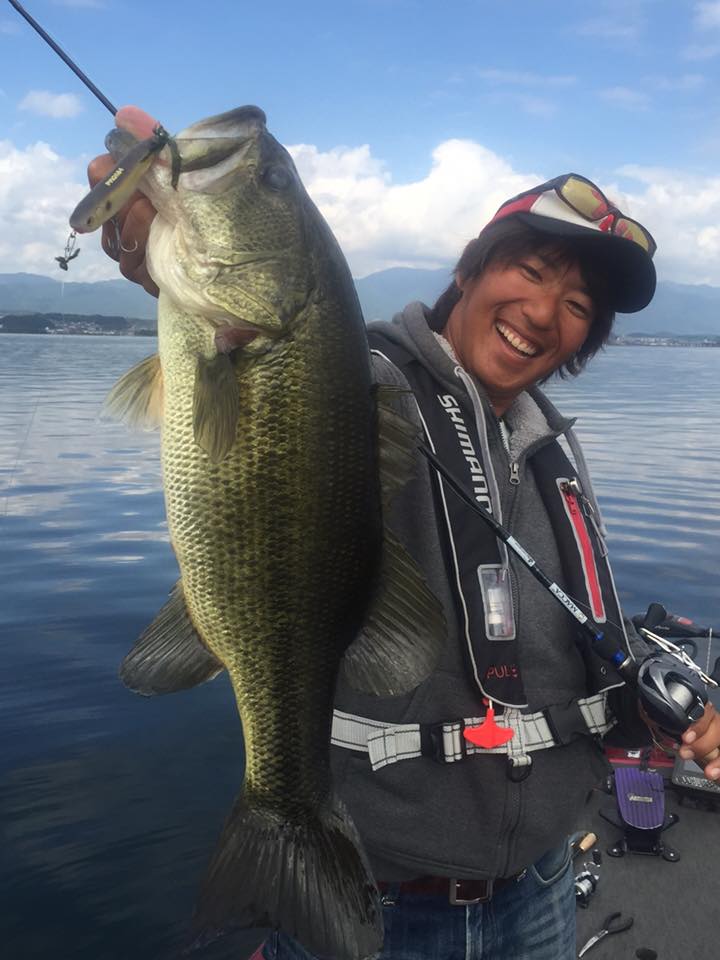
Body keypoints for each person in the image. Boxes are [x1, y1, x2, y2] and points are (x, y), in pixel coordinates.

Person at [89, 110, 720, 960]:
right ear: (469, 268)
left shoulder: (550, 445)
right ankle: (285, 842)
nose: (543, 312)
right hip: (383, 903)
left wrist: (660, 699)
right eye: (531, 271)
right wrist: (160, 252)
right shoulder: (367, 380)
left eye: (578, 306)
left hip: (537, 888)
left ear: (587, 341)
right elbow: (279, 359)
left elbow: (576, 624)